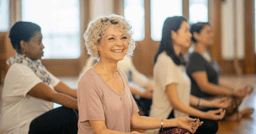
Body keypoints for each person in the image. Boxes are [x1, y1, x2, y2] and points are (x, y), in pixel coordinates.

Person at [78, 14, 202, 134]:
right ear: (97, 45)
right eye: (111, 38)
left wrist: (177, 122)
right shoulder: (89, 81)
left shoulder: (121, 75)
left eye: (123, 37)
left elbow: (135, 120)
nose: (120, 43)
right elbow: (100, 131)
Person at [150, 16, 229, 134]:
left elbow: (184, 96)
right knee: (209, 124)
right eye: (186, 30)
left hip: (179, 117)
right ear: (173, 34)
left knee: (213, 116)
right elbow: (175, 102)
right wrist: (204, 114)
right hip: (166, 121)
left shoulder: (178, 59)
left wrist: (210, 103)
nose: (190, 35)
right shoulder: (165, 60)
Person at [0, 21, 78, 134]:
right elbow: (52, 96)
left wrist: (102, 97)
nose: (42, 46)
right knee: (68, 114)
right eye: (38, 41)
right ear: (23, 44)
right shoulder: (19, 70)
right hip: (19, 129)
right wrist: (90, 107)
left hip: (36, 124)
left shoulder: (38, 68)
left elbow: (71, 92)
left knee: (77, 110)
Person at [186, 22, 254, 121]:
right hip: (201, 100)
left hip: (212, 96)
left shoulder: (206, 53)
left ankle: (234, 115)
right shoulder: (195, 57)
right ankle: (236, 115)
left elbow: (216, 80)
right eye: (208, 32)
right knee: (230, 101)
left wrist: (236, 89)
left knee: (237, 95)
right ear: (196, 35)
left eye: (211, 31)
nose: (211, 34)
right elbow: (205, 86)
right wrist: (231, 92)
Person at [78, 55, 153, 116]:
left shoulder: (124, 59)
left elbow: (134, 75)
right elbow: (118, 85)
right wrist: (143, 93)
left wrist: (148, 84)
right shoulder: (98, 61)